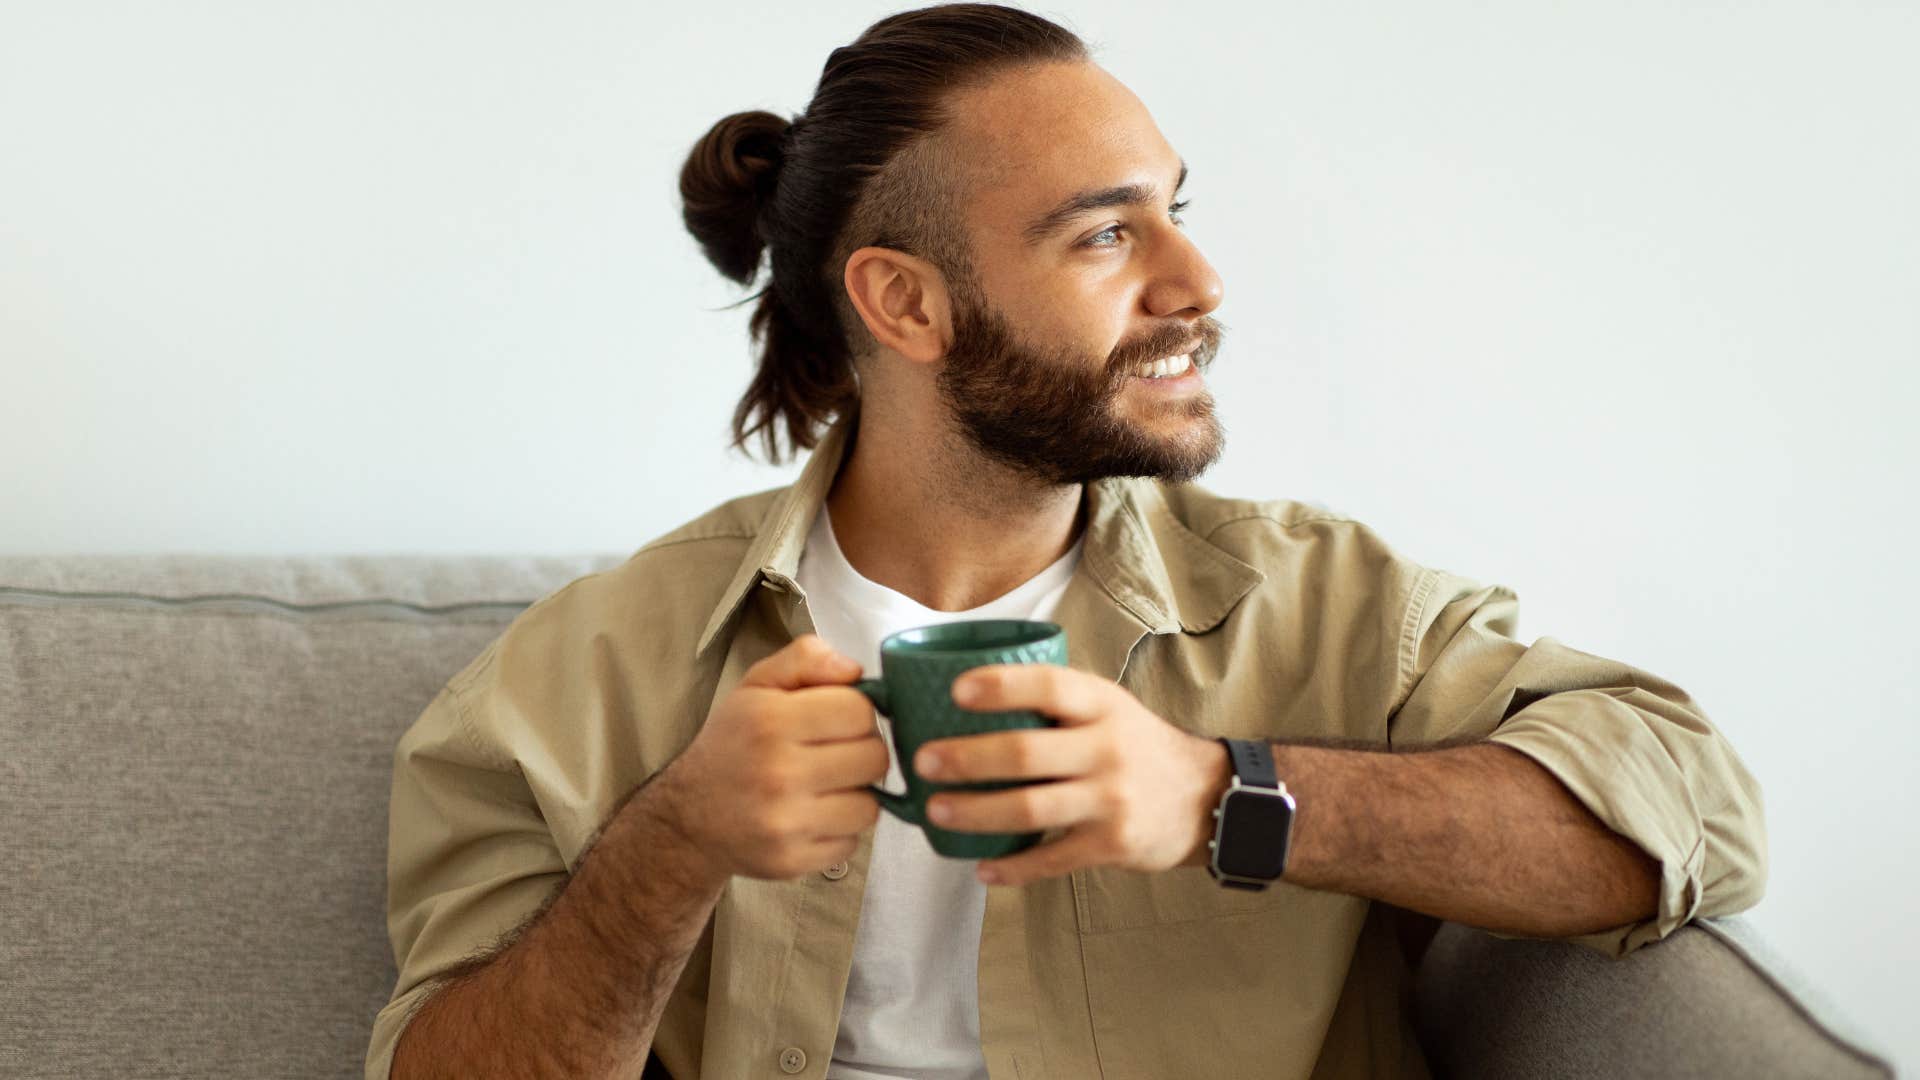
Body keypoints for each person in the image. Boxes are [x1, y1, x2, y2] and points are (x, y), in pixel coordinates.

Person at [366, 4, 1767, 1078]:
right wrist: (670, 849)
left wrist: (1225, 798)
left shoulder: (1325, 606)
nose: (1198, 282)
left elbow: (1692, 806)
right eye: (1104, 236)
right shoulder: (589, 671)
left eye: (1176, 208)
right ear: (907, 307)